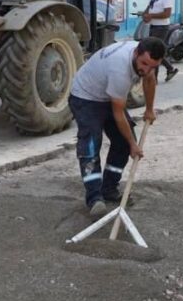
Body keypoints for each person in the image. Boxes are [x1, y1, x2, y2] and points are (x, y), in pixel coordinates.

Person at [69, 38, 165, 217]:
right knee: (91, 144)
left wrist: (149, 109)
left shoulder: (148, 62)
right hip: (85, 96)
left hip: (106, 95)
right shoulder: (119, 69)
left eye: (153, 66)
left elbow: (150, 80)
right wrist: (133, 145)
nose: (147, 69)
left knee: (123, 143)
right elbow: (118, 114)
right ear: (136, 53)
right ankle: (94, 198)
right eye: (144, 64)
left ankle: (109, 188)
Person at [143, 0, 179, 82]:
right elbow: (149, 7)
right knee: (155, 51)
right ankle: (170, 69)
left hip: (162, 27)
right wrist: (145, 15)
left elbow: (167, 14)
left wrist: (152, 16)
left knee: (154, 52)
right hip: (153, 26)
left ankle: (154, 77)